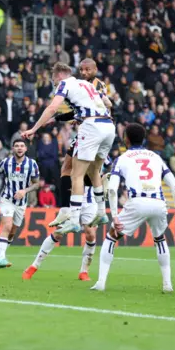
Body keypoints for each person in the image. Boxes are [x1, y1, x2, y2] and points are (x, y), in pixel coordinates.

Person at [90, 123, 175, 293]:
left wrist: (115, 217)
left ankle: (101, 283)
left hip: (137, 201)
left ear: (126, 138)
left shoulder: (123, 158)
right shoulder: (156, 157)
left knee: (111, 237)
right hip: (158, 202)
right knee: (160, 239)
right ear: (144, 138)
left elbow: (112, 189)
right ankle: (167, 284)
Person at [22, 61, 114, 232]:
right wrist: (67, 116)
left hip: (91, 127)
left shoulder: (64, 84)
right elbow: (108, 104)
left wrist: (34, 128)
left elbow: (52, 107)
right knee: (94, 170)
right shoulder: (86, 84)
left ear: (58, 76)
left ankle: (73, 218)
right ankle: (101, 211)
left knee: (76, 175)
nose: (55, 85)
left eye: (53, 81)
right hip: (108, 126)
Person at [23, 136, 103, 281]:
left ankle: (84, 271)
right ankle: (34, 266)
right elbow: (66, 169)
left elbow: (98, 173)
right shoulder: (77, 142)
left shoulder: (101, 144)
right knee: (59, 233)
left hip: (90, 200)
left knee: (91, 234)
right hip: (74, 196)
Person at [0, 139, 40, 268]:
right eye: (17, 146)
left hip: (21, 202)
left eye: (22, 146)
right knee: (7, 226)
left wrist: (25, 190)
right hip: (7, 199)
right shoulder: (6, 162)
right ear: (13, 149)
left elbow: (36, 184)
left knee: (12, 231)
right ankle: (1, 258)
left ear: (25, 149)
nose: (19, 148)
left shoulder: (32, 164)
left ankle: (0, 251)